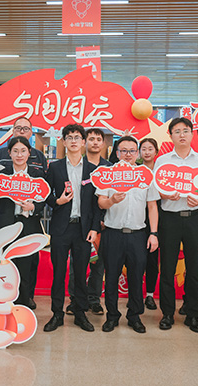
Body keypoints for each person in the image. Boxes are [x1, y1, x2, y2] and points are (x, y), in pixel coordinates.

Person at [155, 117, 198, 333]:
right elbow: (155, 189)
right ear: (170, 135)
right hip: (169, 219)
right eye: (177, 131)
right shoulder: (162, 161)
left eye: (186, 131)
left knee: (194, 269)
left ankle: (193, 314)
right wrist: (165, 194)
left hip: (195, 218)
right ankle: (167, 314)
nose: (182, 135)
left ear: (192, 134)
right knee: (168, 268)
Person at [97, 136, 159, 334]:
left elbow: (152, 206)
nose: (128, 154)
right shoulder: (108, 174)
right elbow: (101, 202)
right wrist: (112, 200)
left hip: (138, 235)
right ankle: (112, 316)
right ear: (117, 153)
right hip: (113, 234)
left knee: (136, 277)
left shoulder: (146, 175)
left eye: (132, 151)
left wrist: (154, 233)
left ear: (137, 153)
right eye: (123, 151)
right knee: (111, 277)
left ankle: (134, 316)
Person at [44, 124, 100, 332]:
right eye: (69, 137)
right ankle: (57, 314)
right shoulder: (55, 167)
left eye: (77, 137)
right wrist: (57, 202)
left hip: (83, 229)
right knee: (59, 273)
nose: (74, 141)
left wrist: (94, 228)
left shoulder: (93, 170)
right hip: (61, 227)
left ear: (83, 142)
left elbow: (96, 203)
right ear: (64, 141)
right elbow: (44, 193)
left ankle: (80, 313)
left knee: (81, 272)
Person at [0, 117, 48, 308]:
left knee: (27, 264)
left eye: (23, 151)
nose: (19, 155)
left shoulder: (37, 175)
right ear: (9, 153)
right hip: (7, 224)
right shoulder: (1, 175)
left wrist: (34, 207)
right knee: (7, 263)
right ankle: (6, 299)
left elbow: (44, 199)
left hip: (29, 224)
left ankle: (25, 301)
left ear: (29, 153)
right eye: (15, 151)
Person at [67, 127, 111, 315]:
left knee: (98, 264)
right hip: (80, 225)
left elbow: (109, 197)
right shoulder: (78, 164)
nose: (95, 142)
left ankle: (94, 299)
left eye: (98, 139)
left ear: (103, 143)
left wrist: (102, 220)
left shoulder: (109, 168)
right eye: (91, 139)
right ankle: (74, 299)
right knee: (76, 264)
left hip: (103, 225)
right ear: (85, 142)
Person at [139, 137, 160, 310]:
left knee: (153, 259)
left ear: (156, 152)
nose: (147, 152)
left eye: (150, 149)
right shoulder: (135, 171)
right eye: (143, 149)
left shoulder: (163, 171)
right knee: (137, 259)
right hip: (137, 219)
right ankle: (136, 294)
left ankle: (150, 295)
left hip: (157, 219)